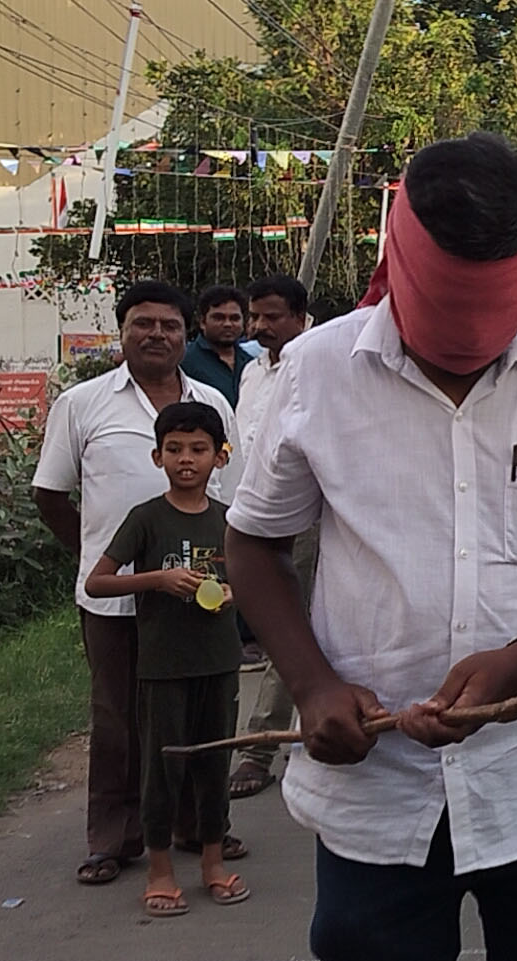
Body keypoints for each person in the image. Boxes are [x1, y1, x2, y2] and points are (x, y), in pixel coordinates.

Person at [224, 133, 517, 961]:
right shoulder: (313, 371)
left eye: (486, 324)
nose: (463, 347)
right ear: (401, 258)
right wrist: (311, 685)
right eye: (443, 320)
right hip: (374, 784)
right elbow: (254, 545)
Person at [34, 280, 242, 887]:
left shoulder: (212, 404)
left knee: (197, 716)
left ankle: (195, 825)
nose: (156, 334)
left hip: (197, 603)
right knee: (119, 717)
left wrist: (225, 584)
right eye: (142, 324)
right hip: (117, 603)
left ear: (187, 333)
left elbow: (234, 503)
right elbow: (49, 494)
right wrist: (96, 558)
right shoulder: (83, 403)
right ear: (121, 332)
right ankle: (113, 838)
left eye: (169, 325)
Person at [84, 402, 248, 916]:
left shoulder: (230, 521)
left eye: (199, 449)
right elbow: (97, 581)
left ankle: (213, 864)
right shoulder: (146, 520)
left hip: (219, 663)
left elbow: (250, 582)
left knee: (213, 763)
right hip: (163, 667)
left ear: (219, 458)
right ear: (157, 457)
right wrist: (158, 579)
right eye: (174, 449)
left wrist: (228, 593)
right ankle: (159, 871)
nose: (186, 460)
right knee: (163, 768)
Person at [226, 275, 315, 799]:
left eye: (271, 317)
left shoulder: (321, 363)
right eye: (254, 317)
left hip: (305, 516)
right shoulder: (253, 372)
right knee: (271, 622)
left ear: (300, 316)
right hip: (251, 517)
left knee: (291, 621)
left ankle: (260, 748)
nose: (258, 327)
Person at [181, 284, 253, 408]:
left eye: (234, 318)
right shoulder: (185, 360)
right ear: (203, 322)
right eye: (219, 318)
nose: (228, 324)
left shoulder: (251, 363)